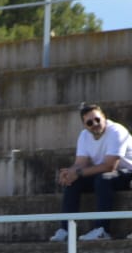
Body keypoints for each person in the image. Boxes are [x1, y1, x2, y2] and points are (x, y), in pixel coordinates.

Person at [53, 103, 130, 241]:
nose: (95, 124)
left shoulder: (116, 131)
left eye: (97, 119)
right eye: (89, 122)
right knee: (73, 182)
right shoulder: (84, 136)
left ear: (104, 118)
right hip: (106, 174)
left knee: (103, 178)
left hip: (128, 173)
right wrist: (69, 173)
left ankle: (102, 230)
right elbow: (80, 164)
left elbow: (109, 166)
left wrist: (78, 172)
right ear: (85, 125)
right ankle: (66, 229)